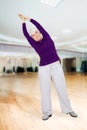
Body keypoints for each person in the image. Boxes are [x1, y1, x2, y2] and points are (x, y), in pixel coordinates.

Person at [18, 14, 78, 120]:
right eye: (33, 36)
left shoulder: (47, 38)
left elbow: (39, 26)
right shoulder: (35, 44)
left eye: (36, 33)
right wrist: (23, 23)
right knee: (45, 90)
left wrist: (29, 19)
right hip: (43, 68)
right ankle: (46, 112)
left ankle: (68, 109)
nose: (35, 35)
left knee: (61, 88)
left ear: (40, 33)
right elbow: (26, 35)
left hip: (56, 66)